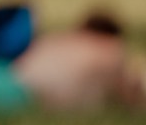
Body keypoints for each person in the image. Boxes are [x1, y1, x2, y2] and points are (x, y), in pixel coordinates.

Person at [11, 10, 144, 111]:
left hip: (13, 80)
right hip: (41, 97)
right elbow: (132, 97)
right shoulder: (111, 48)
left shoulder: (55, 39)